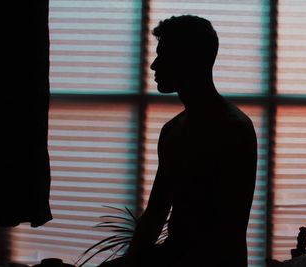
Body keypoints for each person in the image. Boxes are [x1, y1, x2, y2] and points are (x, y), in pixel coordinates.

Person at [103, 15, 257, 267]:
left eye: (162, 56)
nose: (153, 65)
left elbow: (229, 229)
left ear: (188, 60)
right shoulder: (173, 129)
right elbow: (156, 211)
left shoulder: (232, 129)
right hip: (174, 256)